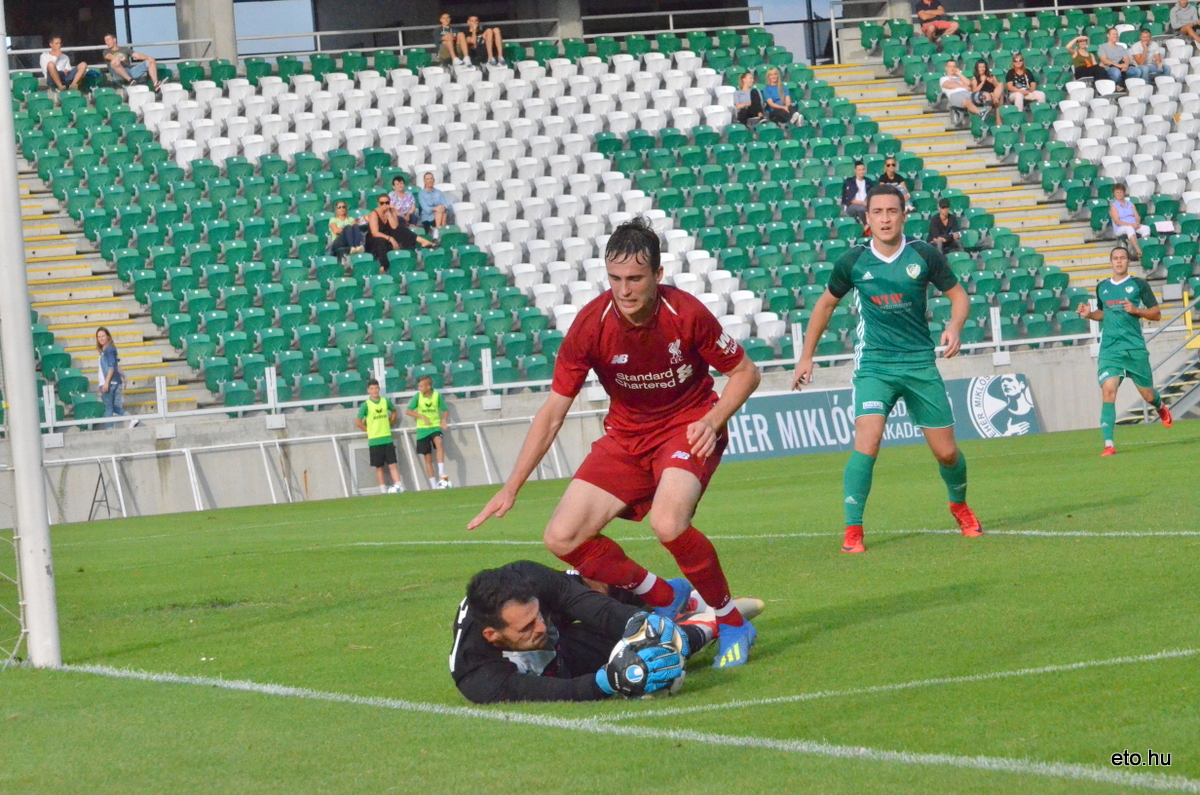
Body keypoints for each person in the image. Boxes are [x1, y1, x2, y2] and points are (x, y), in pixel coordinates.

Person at [467, 218, 762, 669]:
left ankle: (731, 620)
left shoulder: (686, 313)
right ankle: (664, 595)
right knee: (561, 536)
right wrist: (512, 487)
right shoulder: (591, 325)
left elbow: (746, 373)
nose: (624, 290)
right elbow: (552, 413)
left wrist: (713, 419)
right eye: (615, 279)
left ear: (658, 276)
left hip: (686, 427)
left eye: (635, 279)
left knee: (668, 524)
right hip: (626, 436)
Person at [791, 185, 983, 554]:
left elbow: (959, 296)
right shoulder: (853, 261)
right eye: (876, 212)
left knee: (946, 453)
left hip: (919, 364)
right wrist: (806, 356)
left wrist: (955, 326)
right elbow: (825, 306)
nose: (884, 218)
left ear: (903, 215)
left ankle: (958, 504)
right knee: (869, 440)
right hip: (874, 366)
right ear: (867, 219)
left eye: (891, 211)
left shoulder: (923, 254)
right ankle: (853, 531)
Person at [451, 561, 713, 704]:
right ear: (492, 635)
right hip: (560, 649)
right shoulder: (478, 676)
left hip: (567, 613)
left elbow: (599, 610)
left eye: (537, 615)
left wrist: (648, 626)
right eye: (527, 627)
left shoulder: (532, 579)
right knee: (588, 665)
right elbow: (558, 691)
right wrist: (607, 682)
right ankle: (691, 621)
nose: (540, 626)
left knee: (600, 585)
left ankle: (665, 603)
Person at [1074, 247, 1173, 456]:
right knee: (1108, 391)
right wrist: (1090, 314)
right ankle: (1109, 444)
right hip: (1110, 350)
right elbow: (1104, 313)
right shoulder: (1102, 287)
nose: (1119, 262)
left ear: (1128, 262)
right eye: (1115, 259)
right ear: (1111, 262)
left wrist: (1137, 310)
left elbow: (1156, 313)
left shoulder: (1138, 285)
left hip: (1134, 348)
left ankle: (1160, 405)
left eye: (1122, 258)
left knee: (1147, 395)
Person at [355, 378, 404, 494]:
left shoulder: (385, 401)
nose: (374, 390)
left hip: (386, 437)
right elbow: (358, 422)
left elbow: (394, 412)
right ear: (368, 390)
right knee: (379, 466)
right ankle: (383, 490)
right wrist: (369, 430)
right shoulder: (366, 405)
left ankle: (398, 486)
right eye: (372, 388)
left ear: (379, 389)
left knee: (392, 464)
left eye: (376, 388)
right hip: (374, 440)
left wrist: (391, 421)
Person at [366, 193, 434, 273]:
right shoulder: (374, 214)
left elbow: (395, 227)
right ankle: (383, 266)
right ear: (378, 204)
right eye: (382, 203)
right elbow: (375, 233)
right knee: (382, 241)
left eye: (387, 202)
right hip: (374, 240)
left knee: (401, 228)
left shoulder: (392, 211)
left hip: (388, 235)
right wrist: (390, 238)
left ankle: (422, 241)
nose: (384, 205)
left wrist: (389, 214)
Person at [406, 373, 452, 489]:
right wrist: (421, 416)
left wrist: (444, 420)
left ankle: (441, 472)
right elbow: (408, 411)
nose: (419, 388)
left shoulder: (437, 396)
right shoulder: (418, 396)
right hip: (422, 429)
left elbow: (445, 410)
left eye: (421, 386)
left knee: (439, 442)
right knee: (428, 457)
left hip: (435, 426)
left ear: (428, 386)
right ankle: (433, 485)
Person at [95, 327, 137, 429]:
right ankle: (131, 418)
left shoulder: (109, 349)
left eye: (103, 336)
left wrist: (106, 382)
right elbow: (115, 366)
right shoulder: (107, 349)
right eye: (99, 337)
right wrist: (124, 376)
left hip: (110, 383)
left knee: (108, 408)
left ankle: (110, 430)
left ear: (108, 336)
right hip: (109, 382)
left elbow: (111, 367)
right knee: (110, 407)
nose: (101, 338)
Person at [1109, 183, 1150, 259]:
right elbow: (1117, 222)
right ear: (1114, 194)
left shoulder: (1130, 204)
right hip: (1120, 227)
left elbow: (1137, 216)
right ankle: (1139, 252)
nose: (1119, 194)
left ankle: (1145, 248)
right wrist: (1131, 225)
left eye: (1121, 192)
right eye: (1117, 192)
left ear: (1124, 193)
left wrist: (1137, 222)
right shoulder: (1114, 206)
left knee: (1146, 228)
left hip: (1133, 224)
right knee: (1129, 228)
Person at [416, 172, 449, 239]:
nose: (430, 181)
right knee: (440, 212)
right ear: (424, 181)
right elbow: (426, 208)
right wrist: (436, 208)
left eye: (431, 179)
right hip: (428, 217)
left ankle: (437, 232)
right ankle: (442, 234)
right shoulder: (421, 194)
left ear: (433, 180)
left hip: (440, 214)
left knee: (442, 212)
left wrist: (442, 207)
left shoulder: (439, 192)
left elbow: (445, 204)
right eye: (427, 179)